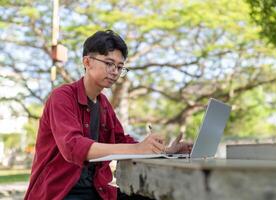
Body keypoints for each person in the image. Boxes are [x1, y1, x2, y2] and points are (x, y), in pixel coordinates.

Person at [24, 30, 192, 200]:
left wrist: (166, 151)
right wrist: (136, 149)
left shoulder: (104, 104)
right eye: (109, 63)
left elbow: (122, 141)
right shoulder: (62, 96)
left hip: (98, 191)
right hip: (60, 193)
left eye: (120, 67)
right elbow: (73, 146)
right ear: (87, 62)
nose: (115, 71)